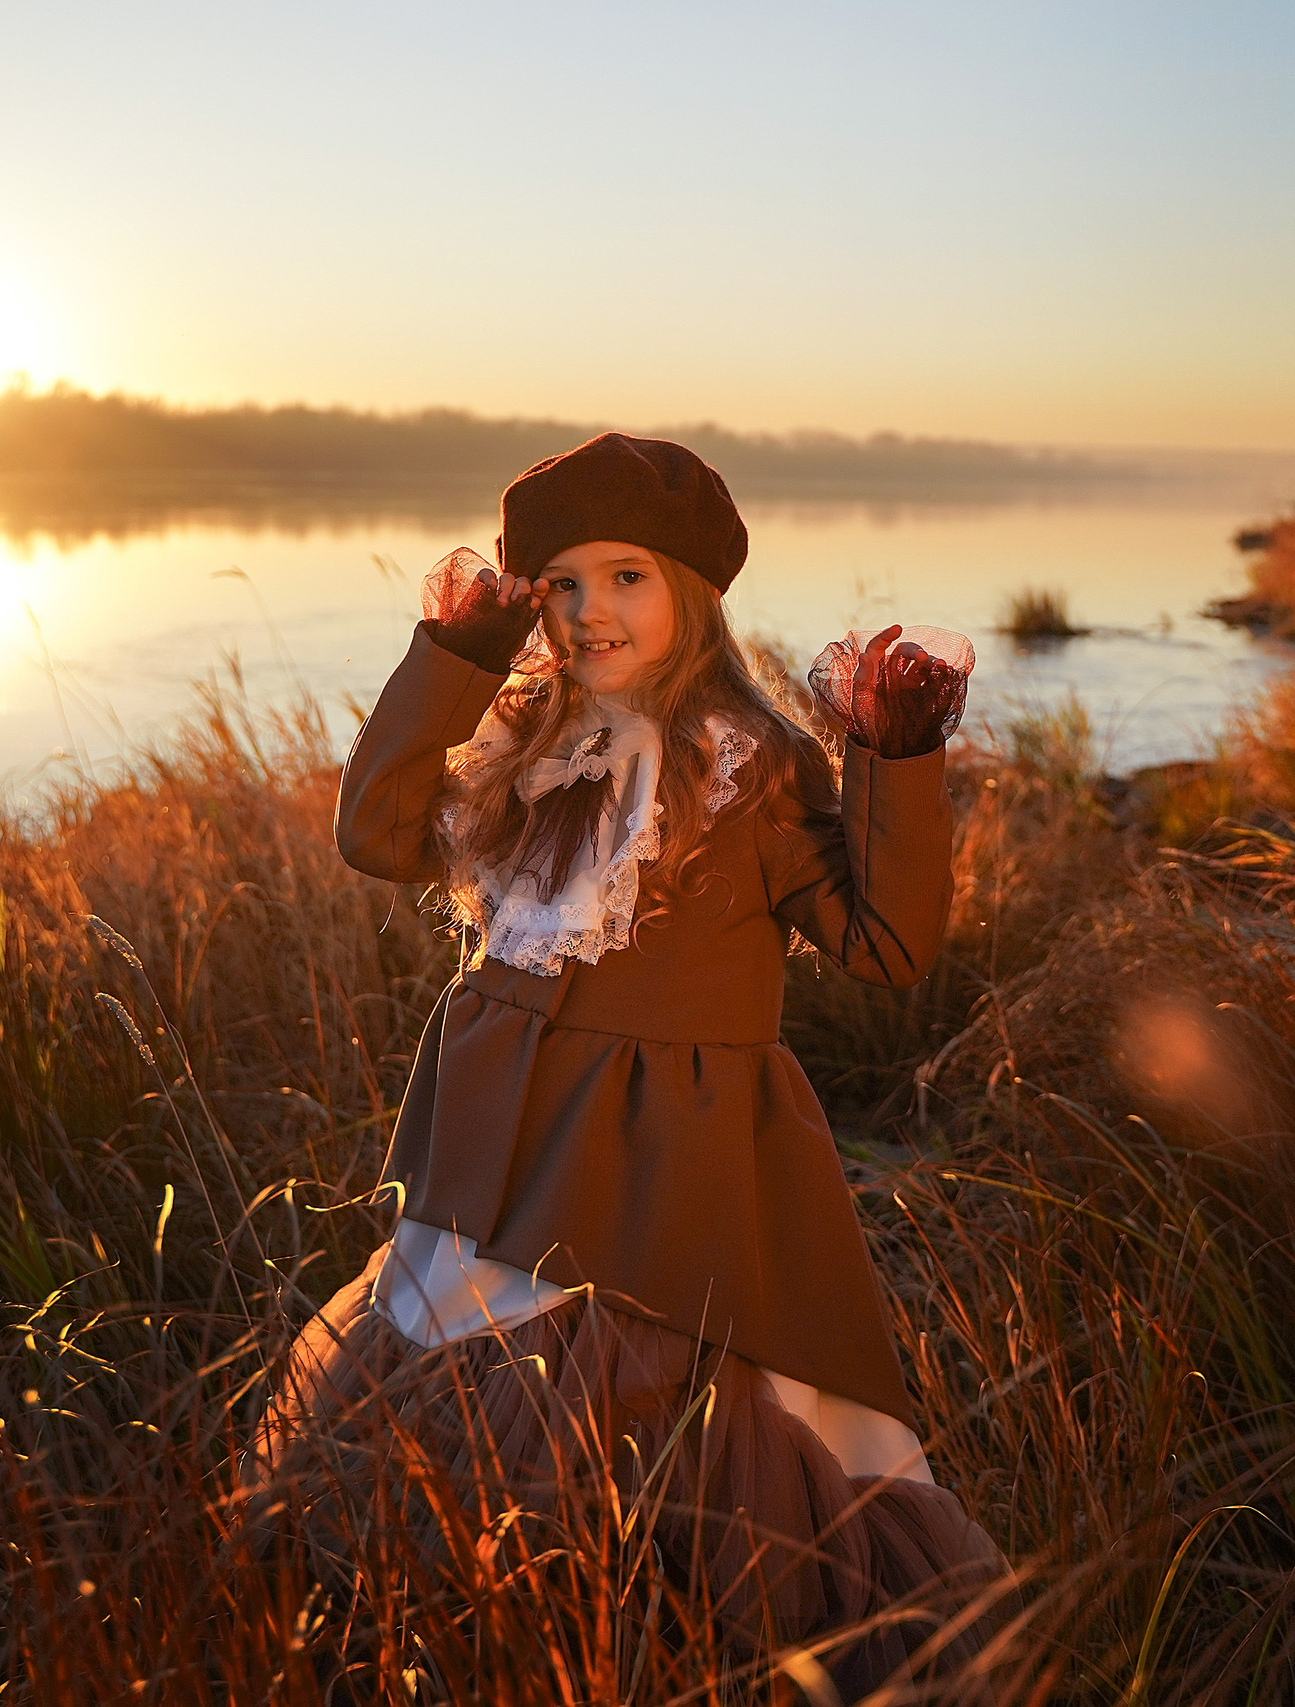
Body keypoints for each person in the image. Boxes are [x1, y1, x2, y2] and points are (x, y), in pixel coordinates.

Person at [251, 432, 1003, 1694]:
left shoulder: (746, 763)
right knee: (451, 1395)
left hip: (658, 1158)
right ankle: (484, 1645)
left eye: (627, 577)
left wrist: (895, 756)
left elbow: (881, 945)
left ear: (692, 592)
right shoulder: (518, 741)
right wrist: (457, 655)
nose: (591, 609)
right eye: (559, 584)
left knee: (647, 1419)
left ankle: (651, 1651)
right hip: (487, 1157)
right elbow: (376, 834)